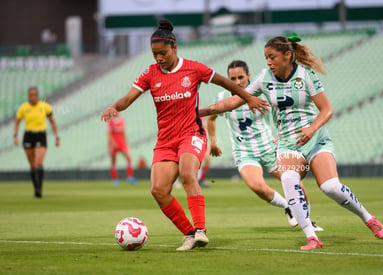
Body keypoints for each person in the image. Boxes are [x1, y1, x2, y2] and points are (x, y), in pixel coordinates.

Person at [199, 33, 383, 250]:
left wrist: (311, 129)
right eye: (266, 57)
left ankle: (368, 218)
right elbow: (231, 102)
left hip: (316, 139)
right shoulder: (264, 78)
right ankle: (312, 237)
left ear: (288, 55)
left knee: (329, 186)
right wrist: (198, 112)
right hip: (288, 144)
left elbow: (327, 110)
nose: (269, 62)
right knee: (289, 180)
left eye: (272, 57)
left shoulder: (306, 76)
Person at [100, 19, 267, 251]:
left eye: (163, 53)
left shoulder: (194, 69)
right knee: (158, 190)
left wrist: (248, 98)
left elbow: (226, 82)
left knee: (188, 173)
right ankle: (189, 233)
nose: (158, 58)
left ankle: (200, 230)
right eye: (154, 53)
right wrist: (114, 107)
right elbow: (127, 99)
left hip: (192, 133)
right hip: (166, 141)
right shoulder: (150, 73)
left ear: (174, 47)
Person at [207, 60, 324, 230]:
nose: (238, 82)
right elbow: (210, 118)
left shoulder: (262, 93)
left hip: (270, 148)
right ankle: (288, 206)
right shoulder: (222, 98)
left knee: (295, 183)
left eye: (241, 77)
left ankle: (307, 221)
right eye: (233, 78)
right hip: (244, 152)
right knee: (257, 187)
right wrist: (213, 142)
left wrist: (281, 135)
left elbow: (282, 112)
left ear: (249, 76)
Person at [14, 87, 59, 198]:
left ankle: (39, 189)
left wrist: (57, 137)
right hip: (28, 136)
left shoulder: (44, 107)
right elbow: (17, 123)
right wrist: (15, 136)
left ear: (38, 95)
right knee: (32, 165)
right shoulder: (24, 108)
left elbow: (52, 122)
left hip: (40, 135)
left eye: (35, 94)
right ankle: (36, 188)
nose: (33, 96)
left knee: (39, 162)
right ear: (28, 96)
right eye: (31, 94)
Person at [107, 115, 137, 186]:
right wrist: (113, 143)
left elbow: (123, 132)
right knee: (113, 161)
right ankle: (115, 179)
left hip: (122, 142)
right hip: (113, 143)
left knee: (129, 158)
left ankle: (130, 177)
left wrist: (126, 142)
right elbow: (109, 133)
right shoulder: (110, 121)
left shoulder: (122, 120)